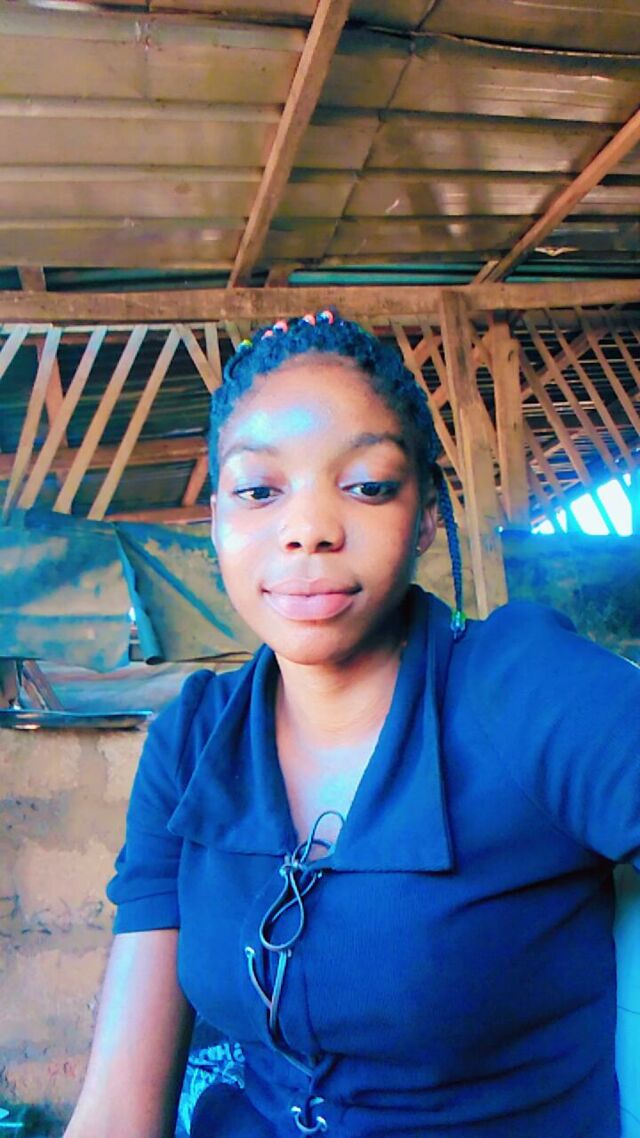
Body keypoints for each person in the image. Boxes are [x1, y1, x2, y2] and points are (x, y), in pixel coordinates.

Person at [63, 310, 640, 1138]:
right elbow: (119, 1108)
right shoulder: (190, 743)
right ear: (216, 518)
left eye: (367, 485)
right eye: (259, 491)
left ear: (428, 513)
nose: (309, 530)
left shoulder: (528, 693)